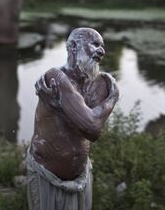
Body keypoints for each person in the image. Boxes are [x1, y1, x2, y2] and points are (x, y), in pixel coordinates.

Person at [27, 28, 119, 210]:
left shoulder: (100, 84)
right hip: (46, 174)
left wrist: (57, 107)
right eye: (95, 44)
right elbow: (92, 125)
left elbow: (93, 134)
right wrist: (114, 96)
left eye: (103, 46)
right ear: (74, 46)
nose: (102, 51)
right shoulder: (55, 78)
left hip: (80, 176)